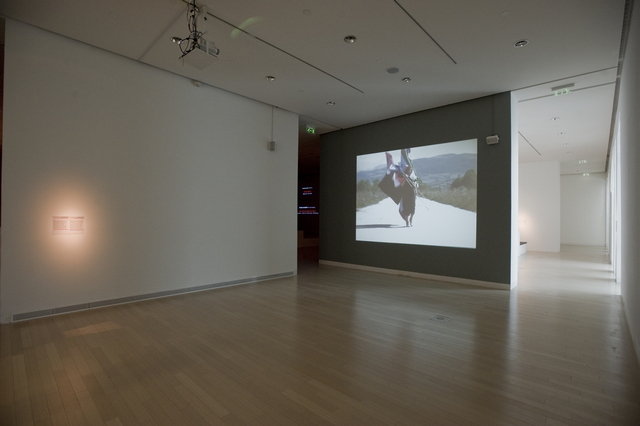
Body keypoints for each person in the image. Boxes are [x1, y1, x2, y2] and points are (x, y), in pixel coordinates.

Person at [379, 148, 417, 227]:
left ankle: (411, 219)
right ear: (407, 170)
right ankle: (407, 221)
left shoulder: (413, 177)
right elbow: (401, 185)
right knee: (406, 209)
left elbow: (415, 188)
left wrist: (414, 186)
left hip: (412, 194)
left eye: (411, 170)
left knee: (412, 209)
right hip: (405, 195)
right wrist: (405, 178)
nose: (410, 171)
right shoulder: (403, 176)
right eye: (409, 170)